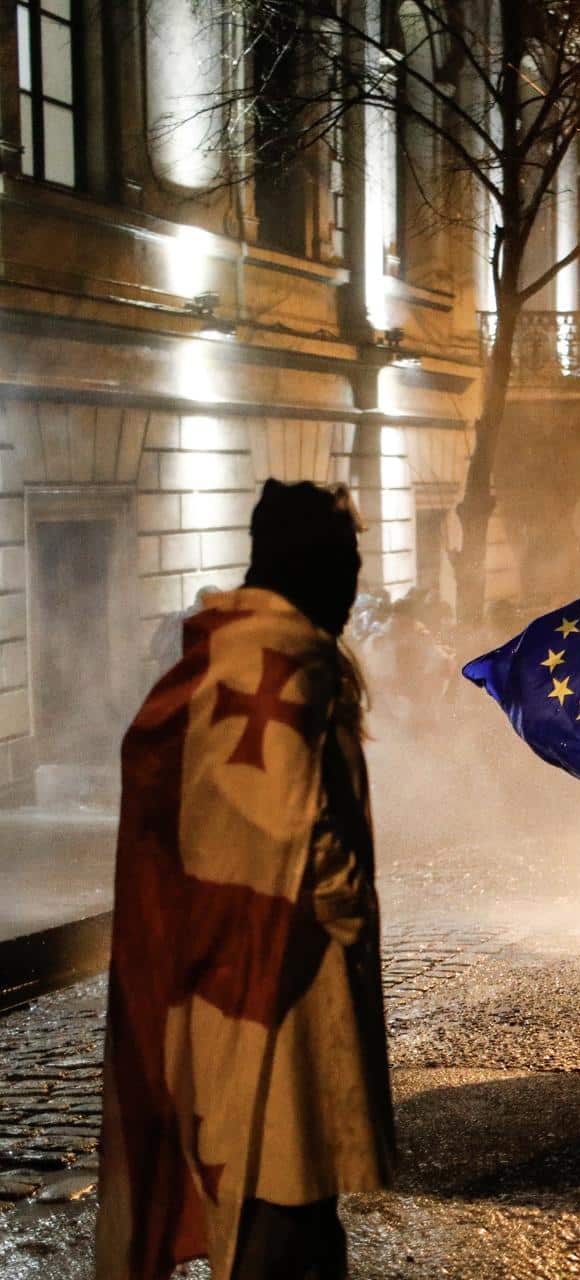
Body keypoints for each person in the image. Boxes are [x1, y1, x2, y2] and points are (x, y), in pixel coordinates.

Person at [97, 480, 394, 1280]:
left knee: (283, 1197)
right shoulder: (289, 657)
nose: (355, 580)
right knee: (283, 1197)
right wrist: (348, 923)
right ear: (315, 564)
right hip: (284, 976)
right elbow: (303, 825)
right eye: (348, 559)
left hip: (233, 972)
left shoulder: (226, 650)